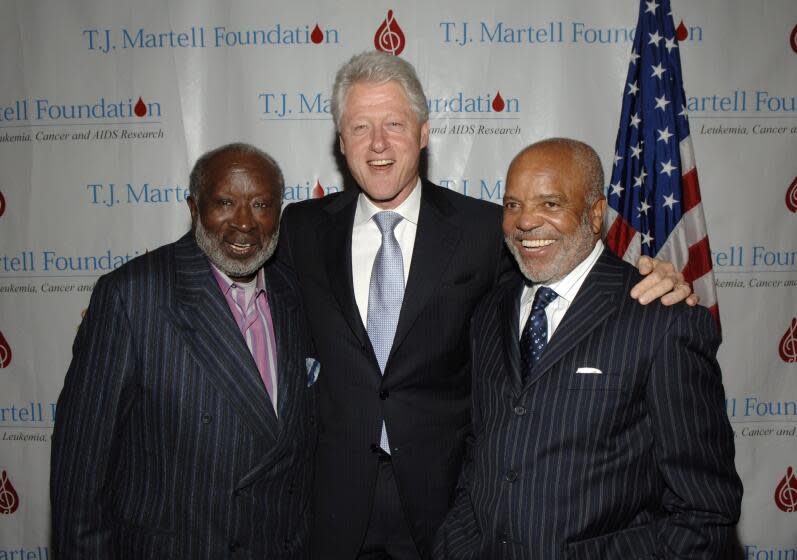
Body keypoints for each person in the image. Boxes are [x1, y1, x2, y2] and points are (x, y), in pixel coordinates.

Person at [279, 52, 695, 560]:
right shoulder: (300, 230)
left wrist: (657, 278)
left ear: (425, 131)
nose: (378, 143)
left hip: (452, 513)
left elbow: (568, 275)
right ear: (341, 142)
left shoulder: (485, 230)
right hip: (334, 507)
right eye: (359, 127)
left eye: (394, 123)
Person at [433, 138, 742, 559]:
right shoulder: (490, 311)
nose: (525, 222)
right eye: (512, 205)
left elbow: (705, 509)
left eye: (551, 204)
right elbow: (482, 452)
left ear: (595, 214)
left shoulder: (660, 317)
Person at [51, 143, 317, 559]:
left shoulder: (292, 294)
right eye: (225, 202)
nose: (245, 223)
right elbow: (80, 480)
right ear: (195, 209)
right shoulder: (134, 296)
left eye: (262, 204)